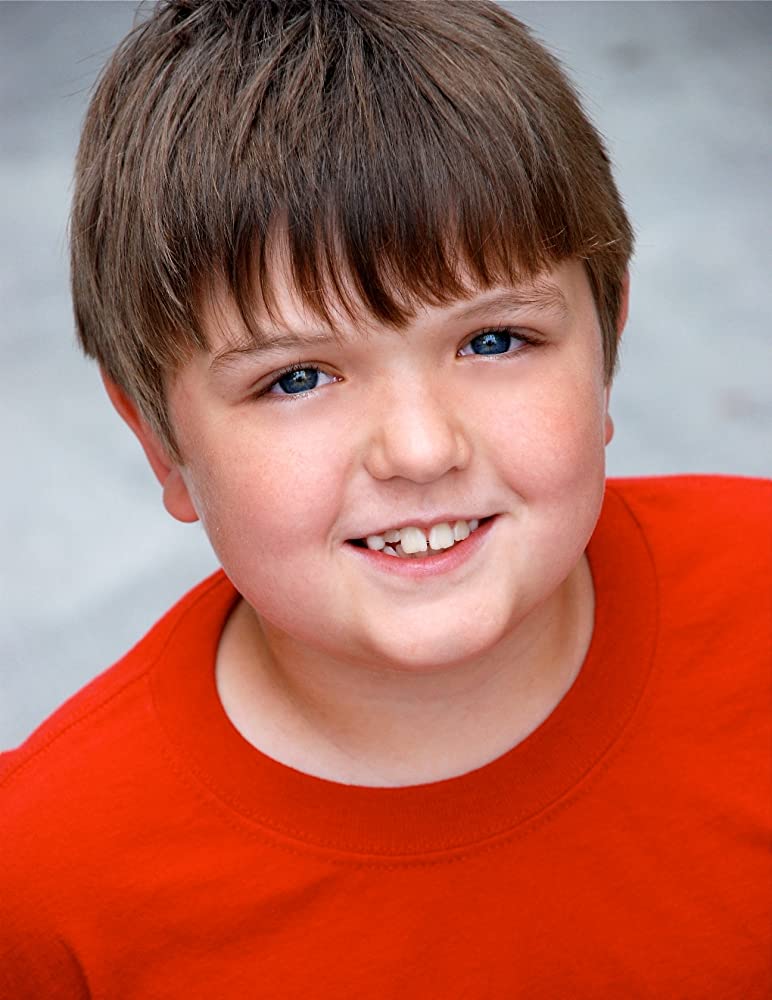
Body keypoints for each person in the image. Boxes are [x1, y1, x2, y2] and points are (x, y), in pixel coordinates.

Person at [1, 0, 769, 995]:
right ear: (160, 441)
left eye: (493, 340)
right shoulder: (45, 883)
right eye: (296, 379)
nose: (419, 448)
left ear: (605, 346)